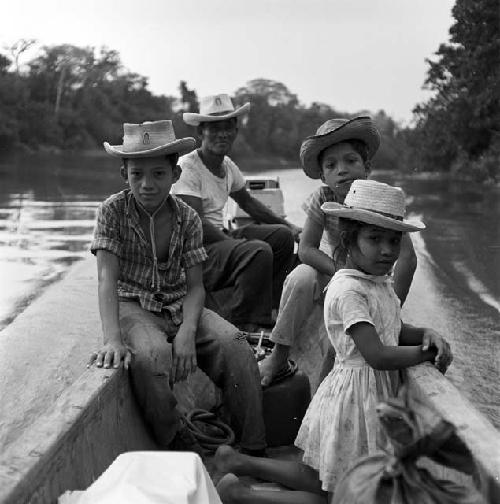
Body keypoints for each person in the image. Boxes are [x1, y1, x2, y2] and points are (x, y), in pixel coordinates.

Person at [214, 179, 453, 503]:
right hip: (354, 399)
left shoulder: (378, 284)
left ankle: (239, 462)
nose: (386, 250)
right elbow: (377, 354)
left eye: (394, 241)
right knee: (334, 495)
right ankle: (242, 495)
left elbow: (390, 327)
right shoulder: (349, 289)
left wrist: (425, 333)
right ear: (348, 241)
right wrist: (424, 354)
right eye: (374, 239)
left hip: (365, 395)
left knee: (318, 477)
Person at [88, 120, 266, 456]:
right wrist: (112, 339)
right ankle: (174, 437)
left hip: (179, 302)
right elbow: (106, 280)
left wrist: (187, 331)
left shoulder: (188, 218)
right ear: (123, 175)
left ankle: (252, 450)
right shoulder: (112, 211)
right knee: (153, 357)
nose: (147, 184)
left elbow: (196, 288)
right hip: (133, 305)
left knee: (236, 346)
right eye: (136, 174)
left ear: (175, 174)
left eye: (158, 174)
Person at [259, 117, 418, 386]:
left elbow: (408, 259)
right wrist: (341, 274)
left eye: (351, 161)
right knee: (300, 277)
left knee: (340, 348)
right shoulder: (323, 199)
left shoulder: (378, 202)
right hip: (333, 273)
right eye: (331, 165)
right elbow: (307, 249)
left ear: (366, 167)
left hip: (372, 281)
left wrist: (393, 308)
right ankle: (278, 355)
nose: (341, 170)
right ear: (322, 175)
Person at [172, 94, 301, 332]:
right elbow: (194, 224)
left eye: (228, 128)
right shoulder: (188, 167)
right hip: (195, 252)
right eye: (214, 128)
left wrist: (292, 228)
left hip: (220, 239)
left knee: (281, 237)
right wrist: (234, 243)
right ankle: (244, 323)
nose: (222, 134)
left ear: (235, 131)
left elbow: (249, 203)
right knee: (256, 251)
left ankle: (272, 309)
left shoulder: (227, 166)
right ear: (201, 132)